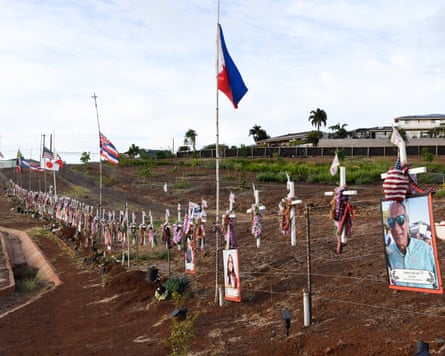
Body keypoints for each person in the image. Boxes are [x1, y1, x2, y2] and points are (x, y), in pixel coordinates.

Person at [385, 201, 437, 289]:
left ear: (408, 222)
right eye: (391, 221)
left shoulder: (426, 250)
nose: (396, 228)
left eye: (400, 219)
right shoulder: (388, 253)